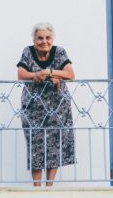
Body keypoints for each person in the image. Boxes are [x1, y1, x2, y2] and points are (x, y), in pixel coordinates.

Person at [17, 22, 76, 187]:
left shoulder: (60, 52)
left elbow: (70, 74)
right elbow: (21, 74)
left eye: (48, 37)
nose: (44, 41)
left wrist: (48, 72)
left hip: (58, 107)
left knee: (55, 144)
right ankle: (37, 186)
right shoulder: (27, 52)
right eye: (40, 38)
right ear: (34, 39)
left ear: (53, 38)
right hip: (33, 108)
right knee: (35, 145)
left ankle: (49, 185)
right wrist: (36, 74)